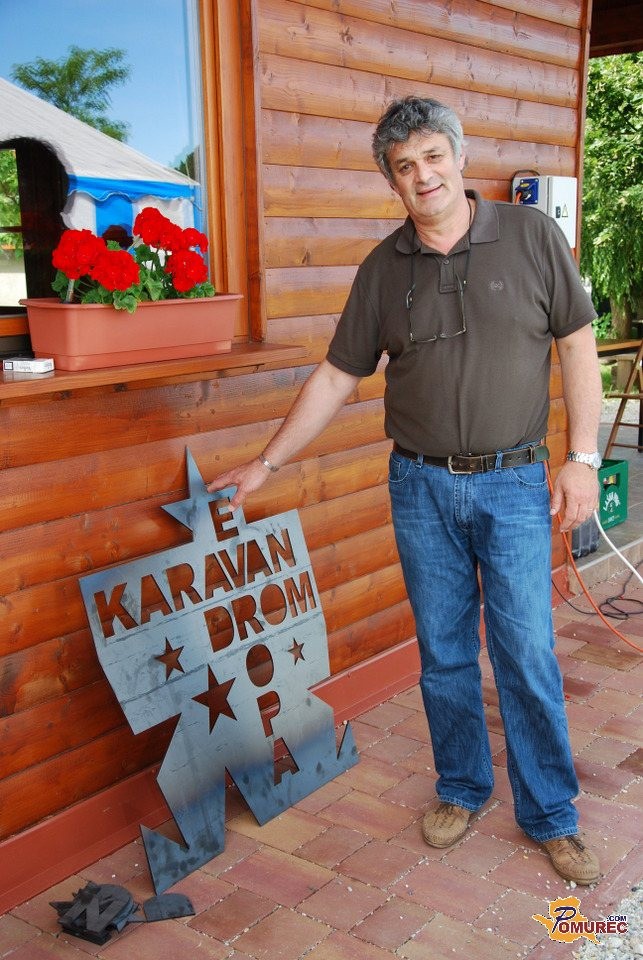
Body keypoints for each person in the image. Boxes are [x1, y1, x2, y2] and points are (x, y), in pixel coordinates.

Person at [207, 96, 603, 886]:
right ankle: (461, 787)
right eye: (403, 166)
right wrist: (266, 464)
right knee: (443, 653)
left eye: (431, 156)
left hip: (514, 483)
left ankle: (551, 814)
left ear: (456, 158)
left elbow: (576, 344)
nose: (422, 175)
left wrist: (583, 458)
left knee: (525, 651)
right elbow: (335, 376)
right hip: (420, 487)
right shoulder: (382, 270)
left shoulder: (529, 236)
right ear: (390, 181)